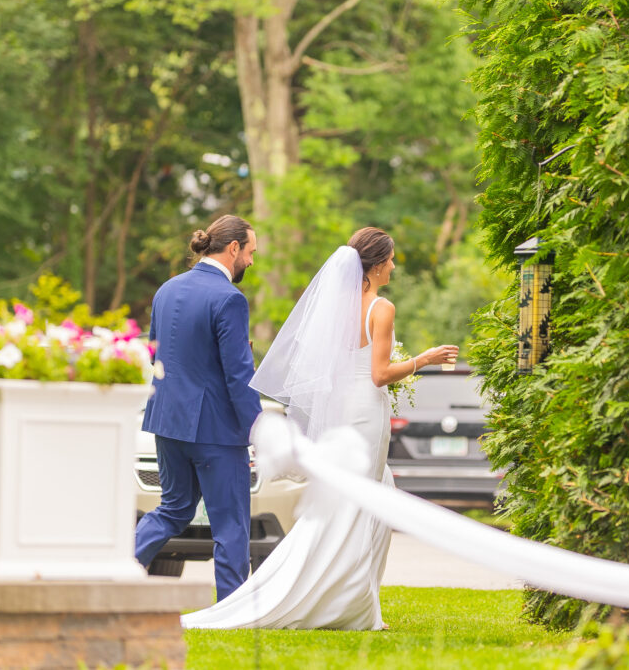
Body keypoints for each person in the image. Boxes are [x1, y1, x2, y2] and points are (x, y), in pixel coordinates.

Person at [181, 226, 458, 630]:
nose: (394, 266)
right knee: (362, 502)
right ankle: (345, 603)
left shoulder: (336, 307)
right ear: (377, 264)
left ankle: (357, 600)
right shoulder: (381, 308)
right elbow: (380, 374)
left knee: (361, 497)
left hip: (345, 409)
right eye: (391, 259)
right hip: (366, 410)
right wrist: (424, 359)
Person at [135, 214, 263, 602]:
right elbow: (238, 375)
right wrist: (258, 428)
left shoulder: (166, 290)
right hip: (216, 431)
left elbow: (160, 353)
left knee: (172, 509)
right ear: (234, 248)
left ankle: (114, 569)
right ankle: (233, 609)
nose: (252, 262)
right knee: (231, 525)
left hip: (167, 422)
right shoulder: (229, 298)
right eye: (251, 253)